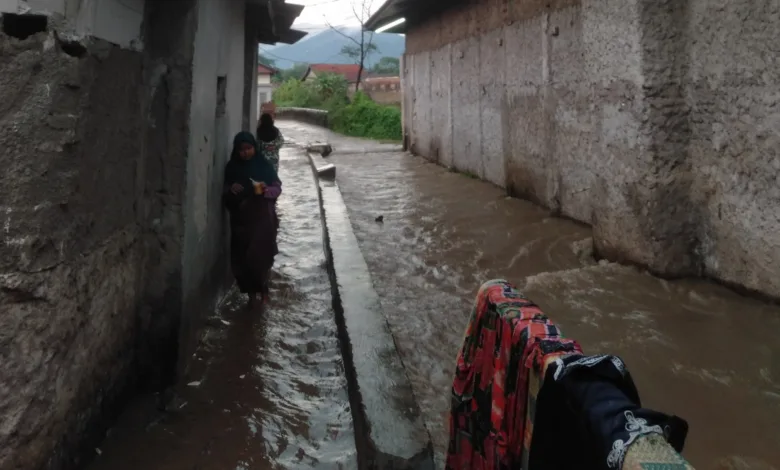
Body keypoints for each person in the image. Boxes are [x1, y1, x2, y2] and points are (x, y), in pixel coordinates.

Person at [223, 131, 282, 307]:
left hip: (263, 220)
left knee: (260, 257)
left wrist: (266, 191)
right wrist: (231, 188)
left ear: (254, 148)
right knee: (242, 259)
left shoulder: (263, 165)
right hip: (241, 222)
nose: (245, 152)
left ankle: (263, 293)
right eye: (242, 150)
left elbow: (277, 187)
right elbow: (225, 190)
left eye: (249, 148)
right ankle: (251, 297)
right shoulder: (232, 167)